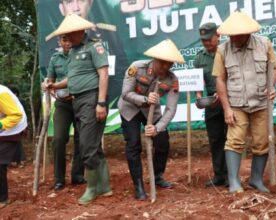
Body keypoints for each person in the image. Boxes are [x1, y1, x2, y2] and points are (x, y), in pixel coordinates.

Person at [46, 14, 112, 205]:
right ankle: (104, 186)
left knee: (87, 146)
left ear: (79, 31)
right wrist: (55, 86)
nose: (67, 37)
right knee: (92, 145)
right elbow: (73, 77)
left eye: (69, 34)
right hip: (77, 101)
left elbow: (104, 74)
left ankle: (91, 189)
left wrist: (100, 103)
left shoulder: (94, 46)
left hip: (91, 99)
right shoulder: (74, 51)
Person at [213, 11, 276, 193]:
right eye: (231, 35)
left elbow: (273, 69)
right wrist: (226, 108)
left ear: (247, 33)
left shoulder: (264, 44)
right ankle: (234, 182)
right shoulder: (222, 50)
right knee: (234, 140)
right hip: (236, 104)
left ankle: (256, 179)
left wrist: (271, 87)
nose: (233, 38)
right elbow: (220, 80)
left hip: (261, 102)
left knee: (262, 142)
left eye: (237, 35)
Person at [118, 39, 184, 200]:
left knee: (162, 142)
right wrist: (146, 99)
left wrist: (157, 128)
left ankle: (157, 176)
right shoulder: (136, 68)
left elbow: (171, 109)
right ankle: (139, 184)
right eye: (163, 63)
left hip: (151, 112)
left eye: (170, 64)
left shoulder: (172, 80)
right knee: (133, 144)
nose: (166, 67)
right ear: (154, 59)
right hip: (130, 108)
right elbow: (125, 94)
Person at [43, 34, 85, 191]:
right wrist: (47, 84)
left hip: (81, 101)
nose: (68, 43)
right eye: (64, 40)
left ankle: (77, 175)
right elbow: (50, 79)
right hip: (63, 104)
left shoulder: (82, 55)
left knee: (81, 138)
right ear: (59, 42)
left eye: (70, 39)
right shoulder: (55, 58)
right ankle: (59, 179)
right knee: (59, 139)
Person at [194, 23, 228, 187]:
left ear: (217, 35)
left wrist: (222, 92)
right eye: (203, 40)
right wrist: (199, 95)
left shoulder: (227, 52)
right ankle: (219, 175)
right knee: (215, 140)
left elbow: (234, 76)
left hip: (229, 102)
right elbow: (197, 81)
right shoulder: (199, 57)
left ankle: (231, 176)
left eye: (209, 39)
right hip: (211, 105)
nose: (206, 43)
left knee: (230, 139)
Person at [0, 85, 28, 209]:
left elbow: (16, 115)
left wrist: (0, 124)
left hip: (12, 128)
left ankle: (2, 199)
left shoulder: (2, 94)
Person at [8, 87, 26, 168]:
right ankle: (11, 161)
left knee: (18, 143)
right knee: (8, 143)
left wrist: (24, 126)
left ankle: (20, 161)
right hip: (8, 125)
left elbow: (23, 115)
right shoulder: (5, 102)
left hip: (18, 125)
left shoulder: (20, 103)